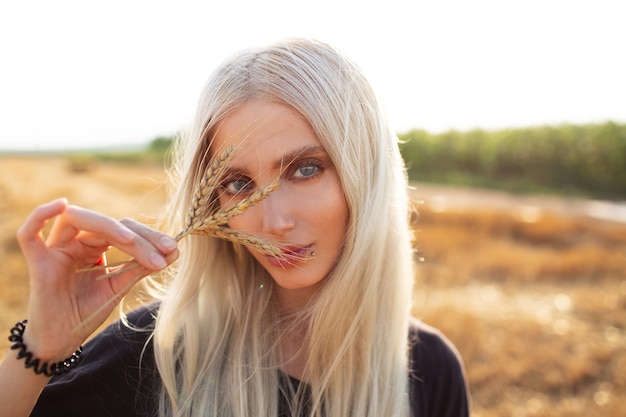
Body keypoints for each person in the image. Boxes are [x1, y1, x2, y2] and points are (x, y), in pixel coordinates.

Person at [0, 38, 470, 417]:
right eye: (238, 183)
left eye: (305, 169)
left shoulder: (428, 369)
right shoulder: (153, 352)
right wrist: (41, 349)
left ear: (365, 170)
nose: (273, 222)